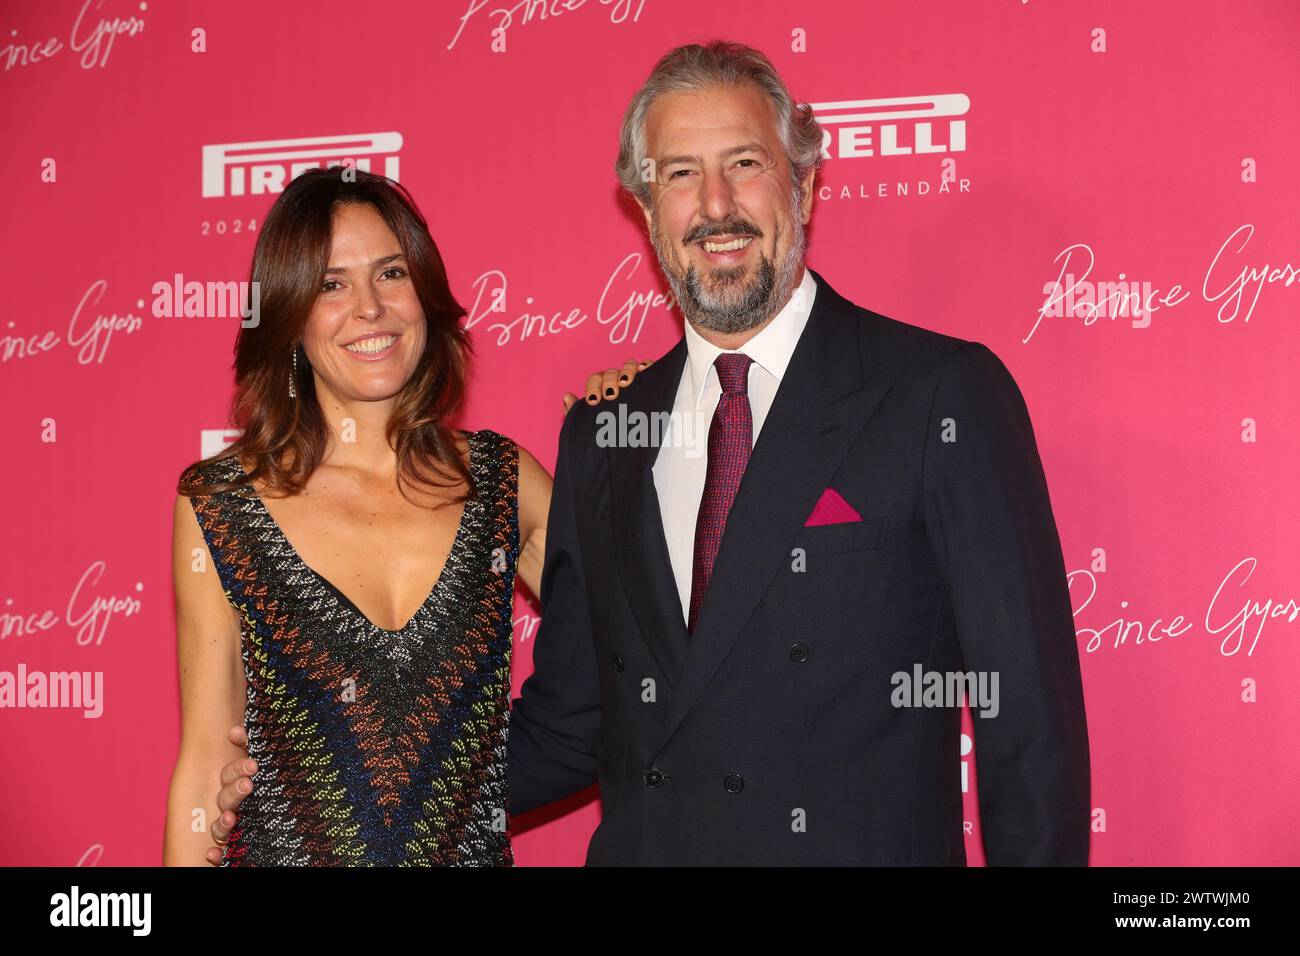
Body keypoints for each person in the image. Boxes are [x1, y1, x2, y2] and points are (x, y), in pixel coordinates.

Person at [213, 40, 1091, 866]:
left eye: (745, 164)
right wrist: (344, 789)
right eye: (680, 175)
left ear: (807, 186)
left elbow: (1028, 721)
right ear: (644, 208)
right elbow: (575, 721)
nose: (715, 206)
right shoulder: (605, 437)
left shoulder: (937, 395)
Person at [163, 167, 641, 866]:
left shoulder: (498, 481)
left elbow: (637, 629)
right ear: (289, 313)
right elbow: (207, 765)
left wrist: (648, 423)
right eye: (331, 284)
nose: (370, 309)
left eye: (390, 274)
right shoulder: (222, 503)